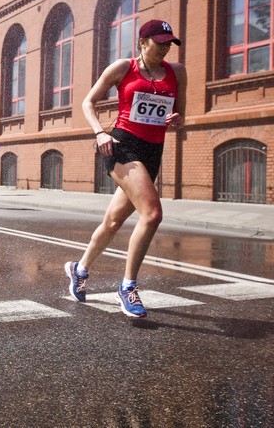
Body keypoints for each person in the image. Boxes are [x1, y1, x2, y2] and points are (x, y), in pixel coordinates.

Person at [65, 19, 186, 318]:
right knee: (153, 213)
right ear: (143, 43)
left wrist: (177, 119)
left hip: (152, 150)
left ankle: (79, 270)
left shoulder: (177, 72)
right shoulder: (124, 67)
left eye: (169, 42)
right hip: (120, 145)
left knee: (113, 222)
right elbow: (88, 102)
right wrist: (99, 132)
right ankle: (128, 286)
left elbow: (180, 113)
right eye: (160, 42)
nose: (166, 47)